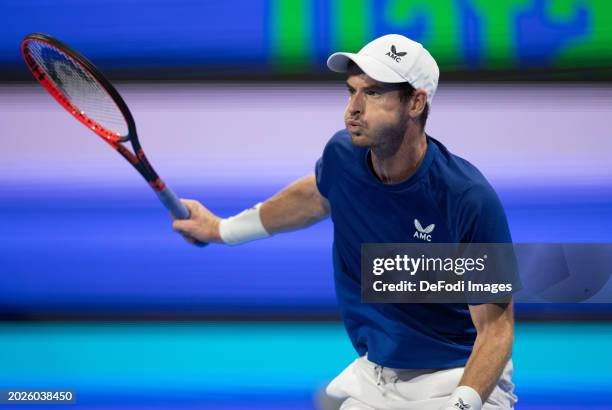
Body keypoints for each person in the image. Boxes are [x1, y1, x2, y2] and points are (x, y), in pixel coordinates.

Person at [172, 34, 517, 410]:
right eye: (351, 91)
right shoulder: (343, 156)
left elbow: (496, 329)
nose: (352, 109)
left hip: (457, 380)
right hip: (375, 379)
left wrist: (462, 404)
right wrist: (222, 230)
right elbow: (315, 194)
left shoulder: (468, 198)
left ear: (415, 102)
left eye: (372, 94)